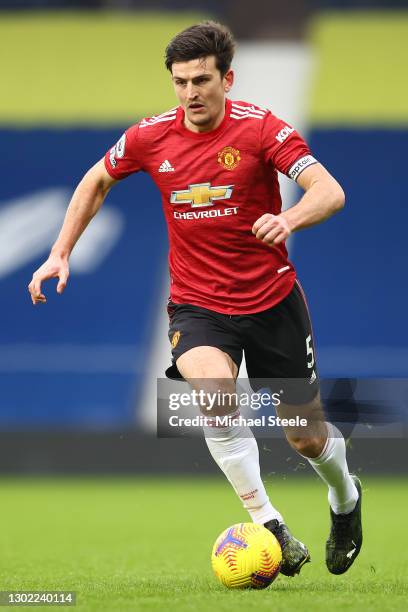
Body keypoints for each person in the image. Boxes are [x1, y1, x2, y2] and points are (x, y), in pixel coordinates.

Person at [28, 21, 362, 577]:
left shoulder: (263, 130)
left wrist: (288, 217)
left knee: (304, 436)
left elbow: (329, 190)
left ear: (227, 79)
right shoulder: (148, 137)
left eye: (201, 80)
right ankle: (270, 525)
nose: (190, 93)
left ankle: (346, 500)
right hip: (198, 304)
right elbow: (95, 180)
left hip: (272, 300)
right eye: (180, 82)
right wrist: (60, 251)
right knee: (212, 394)